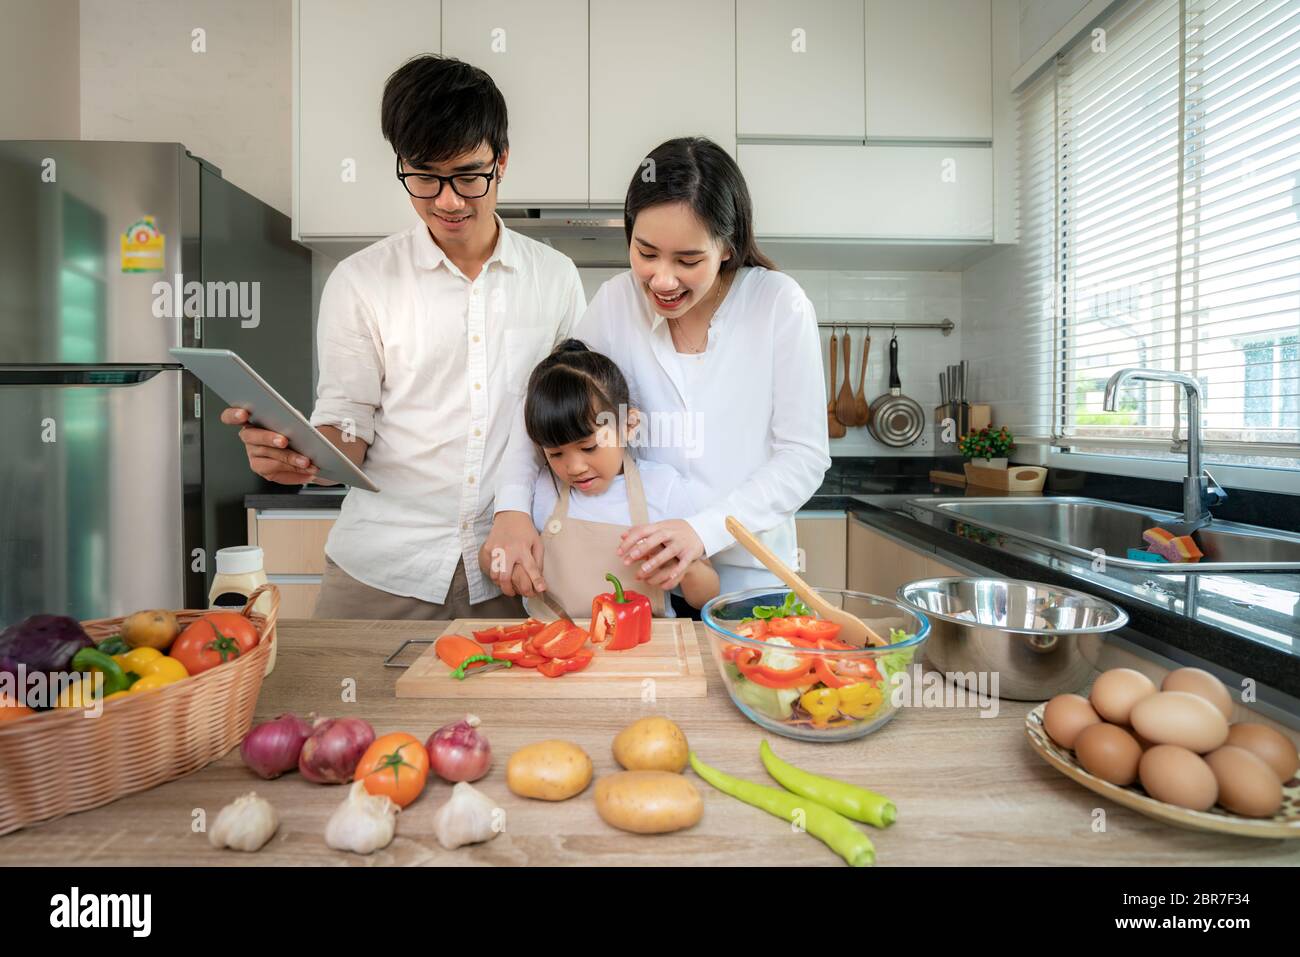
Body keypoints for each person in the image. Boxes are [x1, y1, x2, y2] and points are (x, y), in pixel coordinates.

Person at [221, 55, 585, 619]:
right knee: (333, 709)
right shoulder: (361, 280)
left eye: (468, 175)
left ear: (502, 160)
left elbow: (564, 418)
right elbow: (349, 419)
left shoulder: (555, 279)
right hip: (382, 570)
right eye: (423, 176)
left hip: (514, 569)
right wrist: (304, 453)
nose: (447, 201)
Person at [486, 137, 830, 613]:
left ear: (728, 247)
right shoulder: (614, 303)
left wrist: (701, 530)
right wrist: (511, 509)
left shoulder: (778, 305)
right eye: (646, 253)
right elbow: (550, 405)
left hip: (751, 581)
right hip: (647, 588)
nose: (662, 280)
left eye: (688, 261)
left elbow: (804, 457)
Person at [480, 340, 719, 618]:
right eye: (555, 453)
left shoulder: (662, 487)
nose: (575, 467)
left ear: (629, 425)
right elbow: (490, 557)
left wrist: (686, 569)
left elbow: (708, 595)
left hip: (643, 649)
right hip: (556, 648)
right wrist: (502, 565)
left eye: (589, 447)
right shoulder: (542, 488)